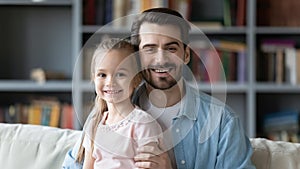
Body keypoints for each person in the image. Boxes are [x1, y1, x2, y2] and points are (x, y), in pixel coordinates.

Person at [63, 8, 255, 169]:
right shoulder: (105, 114)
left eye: (171, 49)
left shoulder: (223, 122)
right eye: (150, 49)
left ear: (186, 55)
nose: (161, 59)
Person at [75, 38, 164, 169]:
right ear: (93, 78)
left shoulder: (143, 124)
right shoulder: (93, 124)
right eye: (102, 74)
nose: (110, 82)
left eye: (120, 74)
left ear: (136, 79)